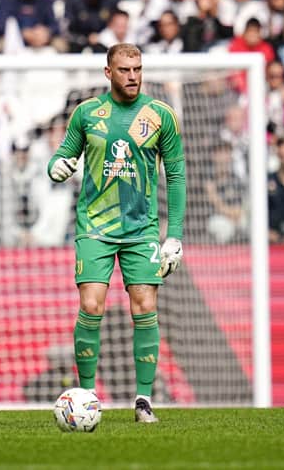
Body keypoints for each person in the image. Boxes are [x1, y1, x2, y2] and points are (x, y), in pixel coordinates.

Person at [47, 44, 186, 423]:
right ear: (108, 72)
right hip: (95, 226)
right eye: (124, 69)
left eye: (138, 68)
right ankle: (87, 395)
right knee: (91, 305)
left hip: (141, 229)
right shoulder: (87, 114)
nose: (133, 76)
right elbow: (63, 154)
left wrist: (174, 235)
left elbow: (175, 175)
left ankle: (143, 400)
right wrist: (56, 166)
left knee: (145, 306)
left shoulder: (160, 116)